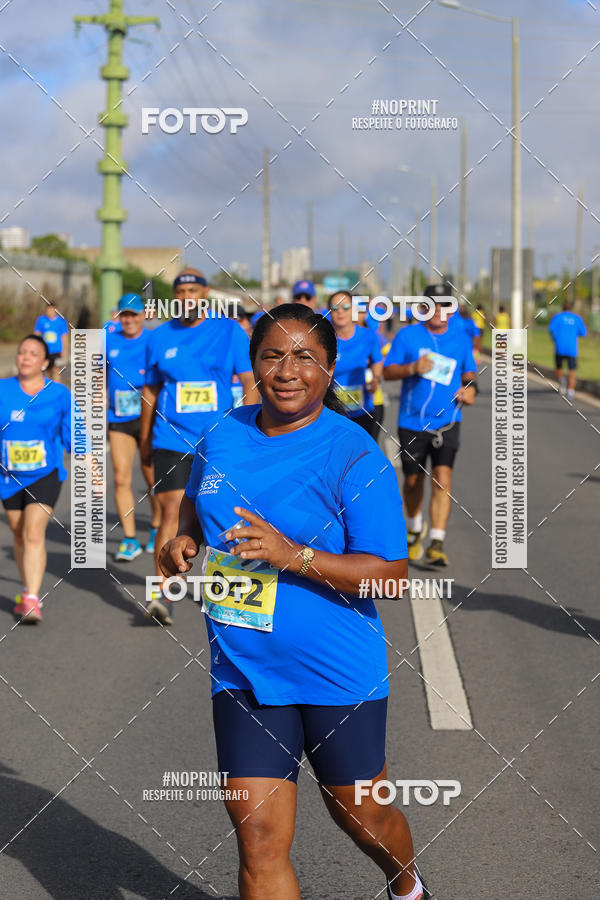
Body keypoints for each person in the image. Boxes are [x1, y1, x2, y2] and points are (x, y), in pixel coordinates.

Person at [159, 303, 430, 900]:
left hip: (336, 672)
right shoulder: (223, 432)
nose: (287, 369)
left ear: (330, 369)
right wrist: (181, 540)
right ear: (252, 365)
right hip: (244, 670)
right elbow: (195, 503)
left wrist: (293, 556)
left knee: (364, 817)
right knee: (257, 839)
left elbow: (390, 576)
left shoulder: (352, 452)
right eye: (272, 355)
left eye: (305, 356)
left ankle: (406, 884)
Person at [140, 268, 259, 625]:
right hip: (170, 437)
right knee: (171, 512)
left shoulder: (229, 331)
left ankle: (231, 591)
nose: (187, 295)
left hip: (220, 440)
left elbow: (249, 382)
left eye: (194, 289)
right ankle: (163, 594)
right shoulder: (159, 337)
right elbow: (150, 390)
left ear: (205, 293)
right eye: (181, 291)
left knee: (224, 515)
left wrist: (248, 432)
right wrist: (145, 438)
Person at [383, 285, 478, 566]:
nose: (439, 311)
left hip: (447, 422)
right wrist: (413, 368)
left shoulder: (461, 339)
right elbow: (388, 372)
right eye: (433, 305)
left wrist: (471, 389)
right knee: (412, 482)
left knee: (442, 479)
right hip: (411, 422)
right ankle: (414, 530)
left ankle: (437, 541)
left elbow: (469, 372)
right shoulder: (408, 336)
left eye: (445, 305)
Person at [0, 335, 72, 623]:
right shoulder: (3, 389)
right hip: (8, 477)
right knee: (18, 534)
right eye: (21, 352)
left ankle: (31, 597)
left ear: (45, 362)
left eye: (33, 354)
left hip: (45, 473)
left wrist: (89, 462)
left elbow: (73, 431)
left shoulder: (59, 393)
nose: (25, 357)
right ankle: (27, 591)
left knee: (32, 532)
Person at [107, 293, 161, 561]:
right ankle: (129, 539)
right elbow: (96, 373)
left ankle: (155, 527)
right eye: (124, 315)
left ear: (143, 316)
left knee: (152, 479)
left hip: (148, 418)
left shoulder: (153, 340)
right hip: (118, 418)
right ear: (118, 316)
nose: (129, 319)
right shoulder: (108, 340)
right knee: (120, 477)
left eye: (134, 314)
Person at [328, 290, 383, 436]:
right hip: (334, 413)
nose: (340, 312)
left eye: (345, 307)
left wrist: (375, 379)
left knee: (364, 457)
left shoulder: (367, 336)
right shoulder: (325, 339)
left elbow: (377, 360)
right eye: (335, 308)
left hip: (363, 411)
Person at [549, 299, 587, 399]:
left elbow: (551, 329)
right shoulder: (577, 318)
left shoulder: (557, 317)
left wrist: (554, 338)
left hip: (559, 347)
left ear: (562, 308)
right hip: (572, 348)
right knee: (572, 371)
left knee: (558, 368)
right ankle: (570, 391)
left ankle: (562, 381)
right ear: (572, 308)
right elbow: (583, 333)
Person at [34, 302, 69, 383]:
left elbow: (64, 336)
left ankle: (57, 388)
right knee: (47, 370)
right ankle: (49, 388)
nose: (50, 312)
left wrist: (65, 350)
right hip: (45, 350)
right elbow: (36, 334)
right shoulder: (41, 320)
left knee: (56, 370)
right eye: (48, 310)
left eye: (52, 310)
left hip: (57, 350)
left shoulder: (61, 321)